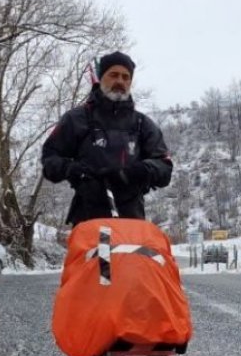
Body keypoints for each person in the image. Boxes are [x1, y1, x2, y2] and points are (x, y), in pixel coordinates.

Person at [41, 51, 173, 225]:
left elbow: (164, 167)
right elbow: (50, 159)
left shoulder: (143, 124)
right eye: (113, 75)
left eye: (126, 77)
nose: (120, 81)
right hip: (87, 219)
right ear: (101, 77)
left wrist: (137, 172)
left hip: (132, 222)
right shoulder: (76, 119)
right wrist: (73, 169)